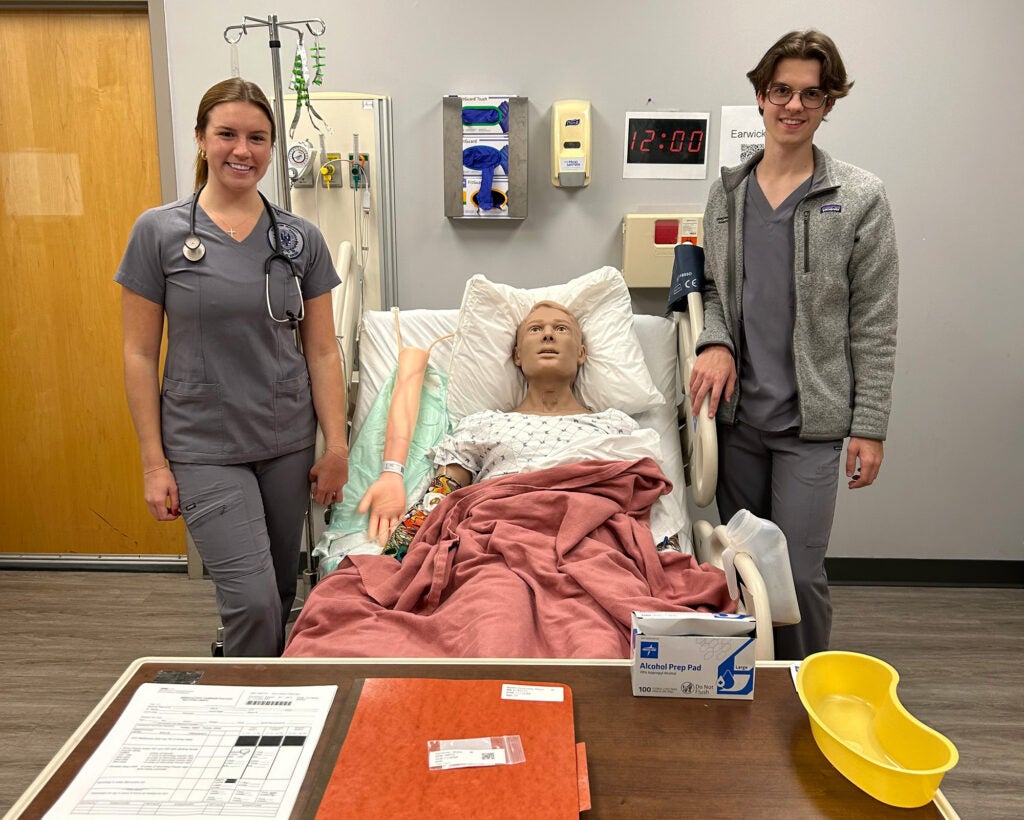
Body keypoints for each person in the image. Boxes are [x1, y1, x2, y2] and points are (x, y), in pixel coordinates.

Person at [117, 78, 349, 657]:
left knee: (278, 587)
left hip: (286, 440)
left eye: (257, 138)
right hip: (204, 444)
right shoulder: (160, 232)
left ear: (271, 148)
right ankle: (250, 701)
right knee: (251, 599)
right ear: (201, 139)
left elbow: (322, 350)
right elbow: (139, 353)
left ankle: (261, 688)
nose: (241, 150)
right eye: (226, 134)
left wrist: (337, 447)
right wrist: (153, 463)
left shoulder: (299, 240)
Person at [689, 30, 899, 660]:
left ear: (828, 104)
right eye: (782, 90)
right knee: (740, 563)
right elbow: (715, 289)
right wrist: (715, 341)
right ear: (760, 96)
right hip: (736, 421)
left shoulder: (859, 197)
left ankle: (802, 696)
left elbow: (876, 320)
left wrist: (871, 426)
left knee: (799, 578)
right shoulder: (727, 194)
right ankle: (747, 682)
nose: (794, 105)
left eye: (812, 94)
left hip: (812, 423)